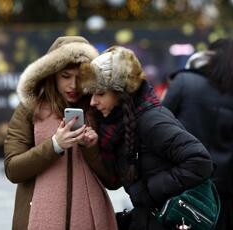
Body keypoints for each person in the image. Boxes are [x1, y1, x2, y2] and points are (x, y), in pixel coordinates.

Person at [79, 46, 213, 230]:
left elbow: (200, 161)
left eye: (100, 93)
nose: (93, 102)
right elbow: (115, 180)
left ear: (121, 93)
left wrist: (149, 191)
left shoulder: (151, 120)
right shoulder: (120, 124)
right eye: (92, 94)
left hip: (170, 220)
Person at [3, 36, 118, 230]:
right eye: (65, 76)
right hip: (38, 218)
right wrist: (55, 145)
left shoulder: (97, 108)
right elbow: (13, 170)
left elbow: (113, 180)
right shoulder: (29, 108)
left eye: (80, 77)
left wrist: (91, 148)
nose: (73, 85)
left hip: (90, 218)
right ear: (52, 74)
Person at [162, 38, 233, 230]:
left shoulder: (184, 81)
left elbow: (160, 120)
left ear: (209, 56)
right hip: (221, 180)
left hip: (181, 172)